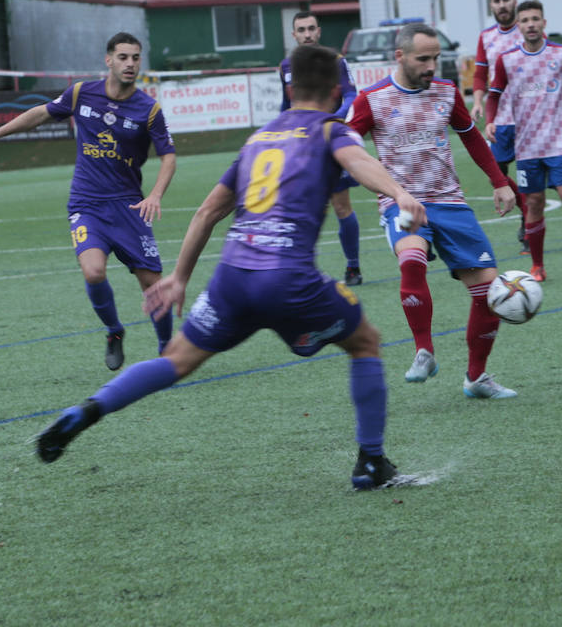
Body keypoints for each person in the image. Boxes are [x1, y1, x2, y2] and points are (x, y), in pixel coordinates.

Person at [35, 43, 427, 490]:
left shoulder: (258, 139)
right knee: (365, 342)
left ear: (290, 86)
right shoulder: (330, 129)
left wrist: (179, 277)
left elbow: (205, 213)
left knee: (177, 360)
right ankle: (372, 463)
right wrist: (399, 193)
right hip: (289, 278)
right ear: (337, 90)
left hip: (232, 278)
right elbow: (358, 161)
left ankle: (89, 409)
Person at [0, 32, 178, 370]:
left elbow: (168, 157)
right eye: (123, 57)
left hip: (128, 206)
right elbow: (40, 113)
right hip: (87, 203)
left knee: (152, 285)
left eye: (135, 58)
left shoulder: (148, 109)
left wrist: (155, 194)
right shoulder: (82, 93)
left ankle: (167, 347)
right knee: (94, 272)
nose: (130, 64)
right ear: (108, 60)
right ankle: (114, 331)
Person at [349, 23, 521, 399]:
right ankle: (423, 350)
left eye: (436, 58)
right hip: (402, 201)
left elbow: (472, 137)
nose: (431, 66)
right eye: (423, 59)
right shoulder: (371, 99)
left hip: (450, 202)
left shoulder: (445, 92)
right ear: (400, 56)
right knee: (411, 259)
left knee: (489, 293)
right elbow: (346, 146)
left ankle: (476, 378)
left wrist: (499, 181)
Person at [485, 0, 562, 283]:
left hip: (560, 145)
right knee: (534, 203)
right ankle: (537, 267)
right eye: (525, 20)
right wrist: (490, 119)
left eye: (535, 19)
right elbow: (494, 93)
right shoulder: (507, 59)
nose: (531, 24)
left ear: (544, 23)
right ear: (519, 26)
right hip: (527, 147)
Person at [279, 11, 364, 285]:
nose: (306, 34)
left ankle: (353, 265)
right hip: (300, 145)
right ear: (294, 35)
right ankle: (299, 269)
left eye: (311, 29)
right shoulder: (285, 66)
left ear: (319, 31)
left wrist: (330, 117)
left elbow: (351, 94)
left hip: (328, 140)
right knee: (298, 207)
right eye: (301, 30)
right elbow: (285, 105)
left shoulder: (336, 61)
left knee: (341, 206)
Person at [471, 0, 528, 250]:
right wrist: (478, 101)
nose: (502, 5)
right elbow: (481, 74)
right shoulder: (486, 37)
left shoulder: (528, 29)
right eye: (497, 1)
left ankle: (529, 224)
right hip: (499, 117)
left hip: (529, 117)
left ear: (514, 1)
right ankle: (527, 214)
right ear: (491, 5)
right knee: (498, 172)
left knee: (531, 174)